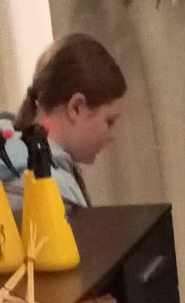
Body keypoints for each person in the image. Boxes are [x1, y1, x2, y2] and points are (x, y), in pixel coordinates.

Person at [13, 32, 127, 209]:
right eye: (109, 121)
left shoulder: (1, 169)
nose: (111, 136)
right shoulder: (50, 187)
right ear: (76, 107)